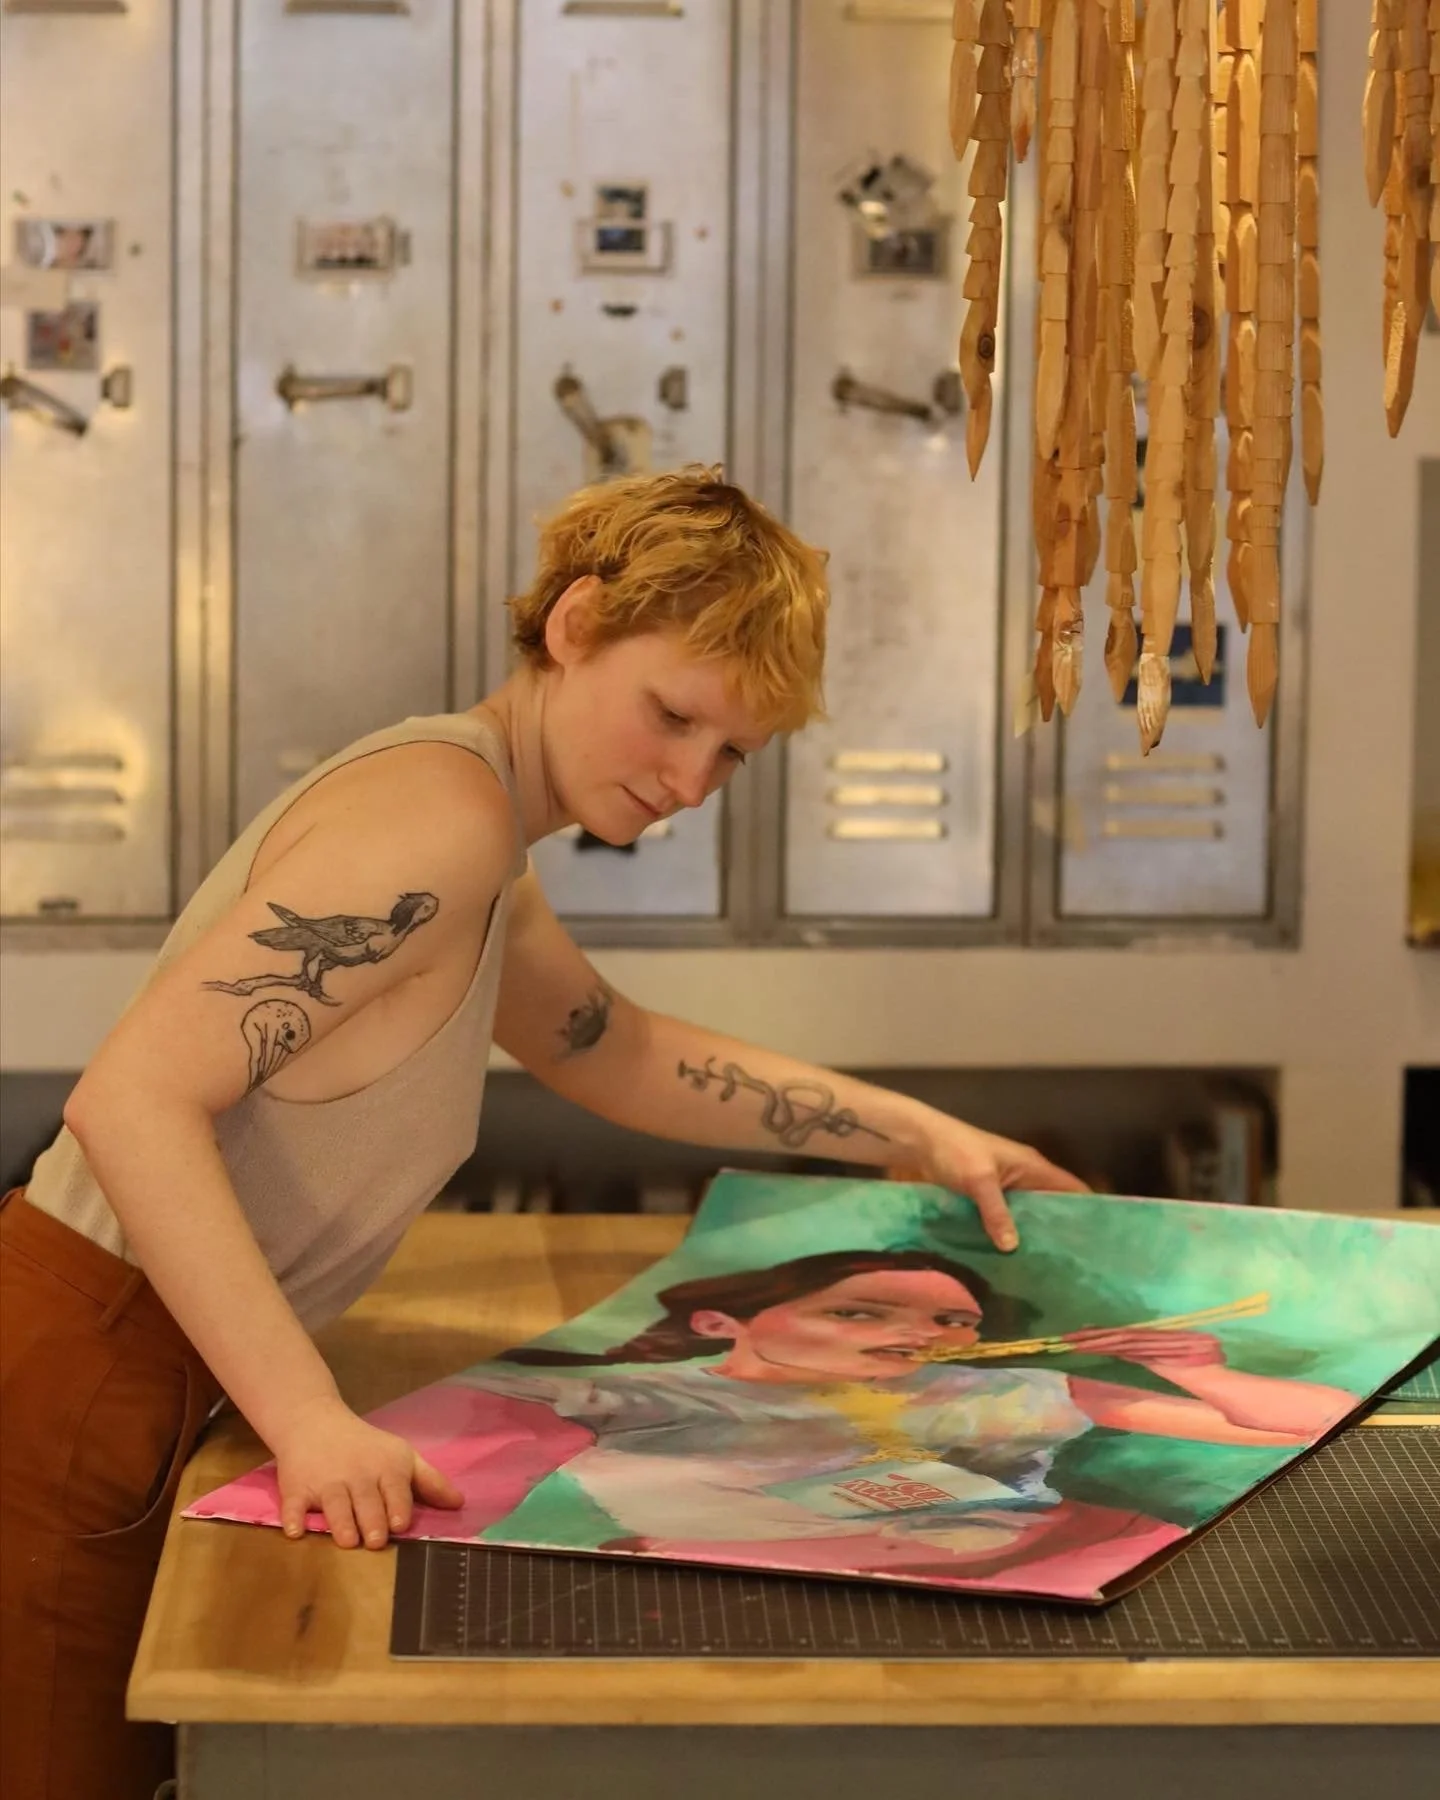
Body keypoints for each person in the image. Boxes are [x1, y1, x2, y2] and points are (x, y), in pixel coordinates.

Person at [2, 466, 1086, 1798]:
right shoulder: (441, 820)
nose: (692, 780)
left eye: (733, 751)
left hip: (138, 1354)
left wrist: (917, 1134)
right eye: (672, 715)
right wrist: (309, 1418)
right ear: (573, 627)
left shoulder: (481, 839)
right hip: (86, 1362)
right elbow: (129, 1100)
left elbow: (612, 1050)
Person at [438, 1249, 1357, 1590]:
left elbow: (1306, 1432)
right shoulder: (628, 1397)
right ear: (724, 1322)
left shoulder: (997, 1394)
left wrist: (1210, 1373)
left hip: (1060, 1580)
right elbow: (464, 1485)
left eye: (951, 1322)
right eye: (860, 1312)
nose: (921, 1336)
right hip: (768, 1595)